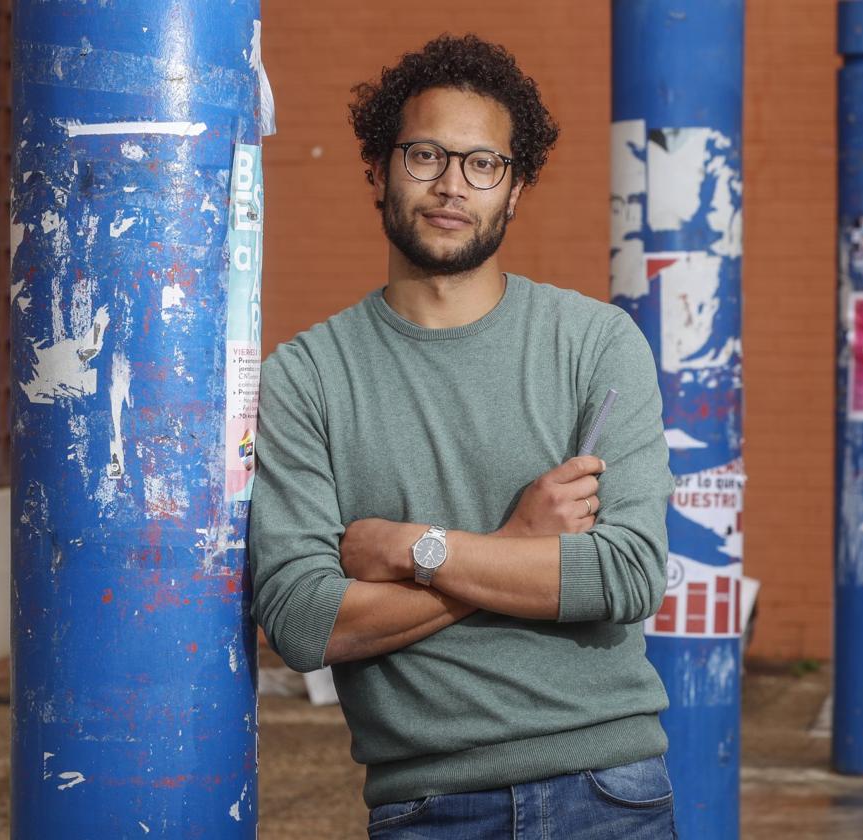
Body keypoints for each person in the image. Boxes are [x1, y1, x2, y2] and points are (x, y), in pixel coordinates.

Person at [249, 34, 676, 839]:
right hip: (426, 805)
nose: (453, 186)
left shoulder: (594, 343)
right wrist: (517, 543)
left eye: (484, 164)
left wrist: (415, 547)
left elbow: (625, 574)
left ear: (515, 190)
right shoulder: (306, 378)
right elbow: (305, 621)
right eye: (425, 156)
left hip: (608, 790)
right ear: (378, 168)